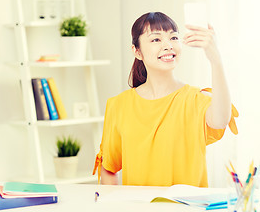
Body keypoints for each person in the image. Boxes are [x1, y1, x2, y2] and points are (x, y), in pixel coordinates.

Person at [93, 12, 238, 187]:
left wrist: (216, 61)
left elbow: (221, 120)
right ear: (136, 51)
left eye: (173, 37)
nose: (168, 45)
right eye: (156, 40)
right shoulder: (119, 105)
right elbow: (109, 168)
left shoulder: (195, 99)